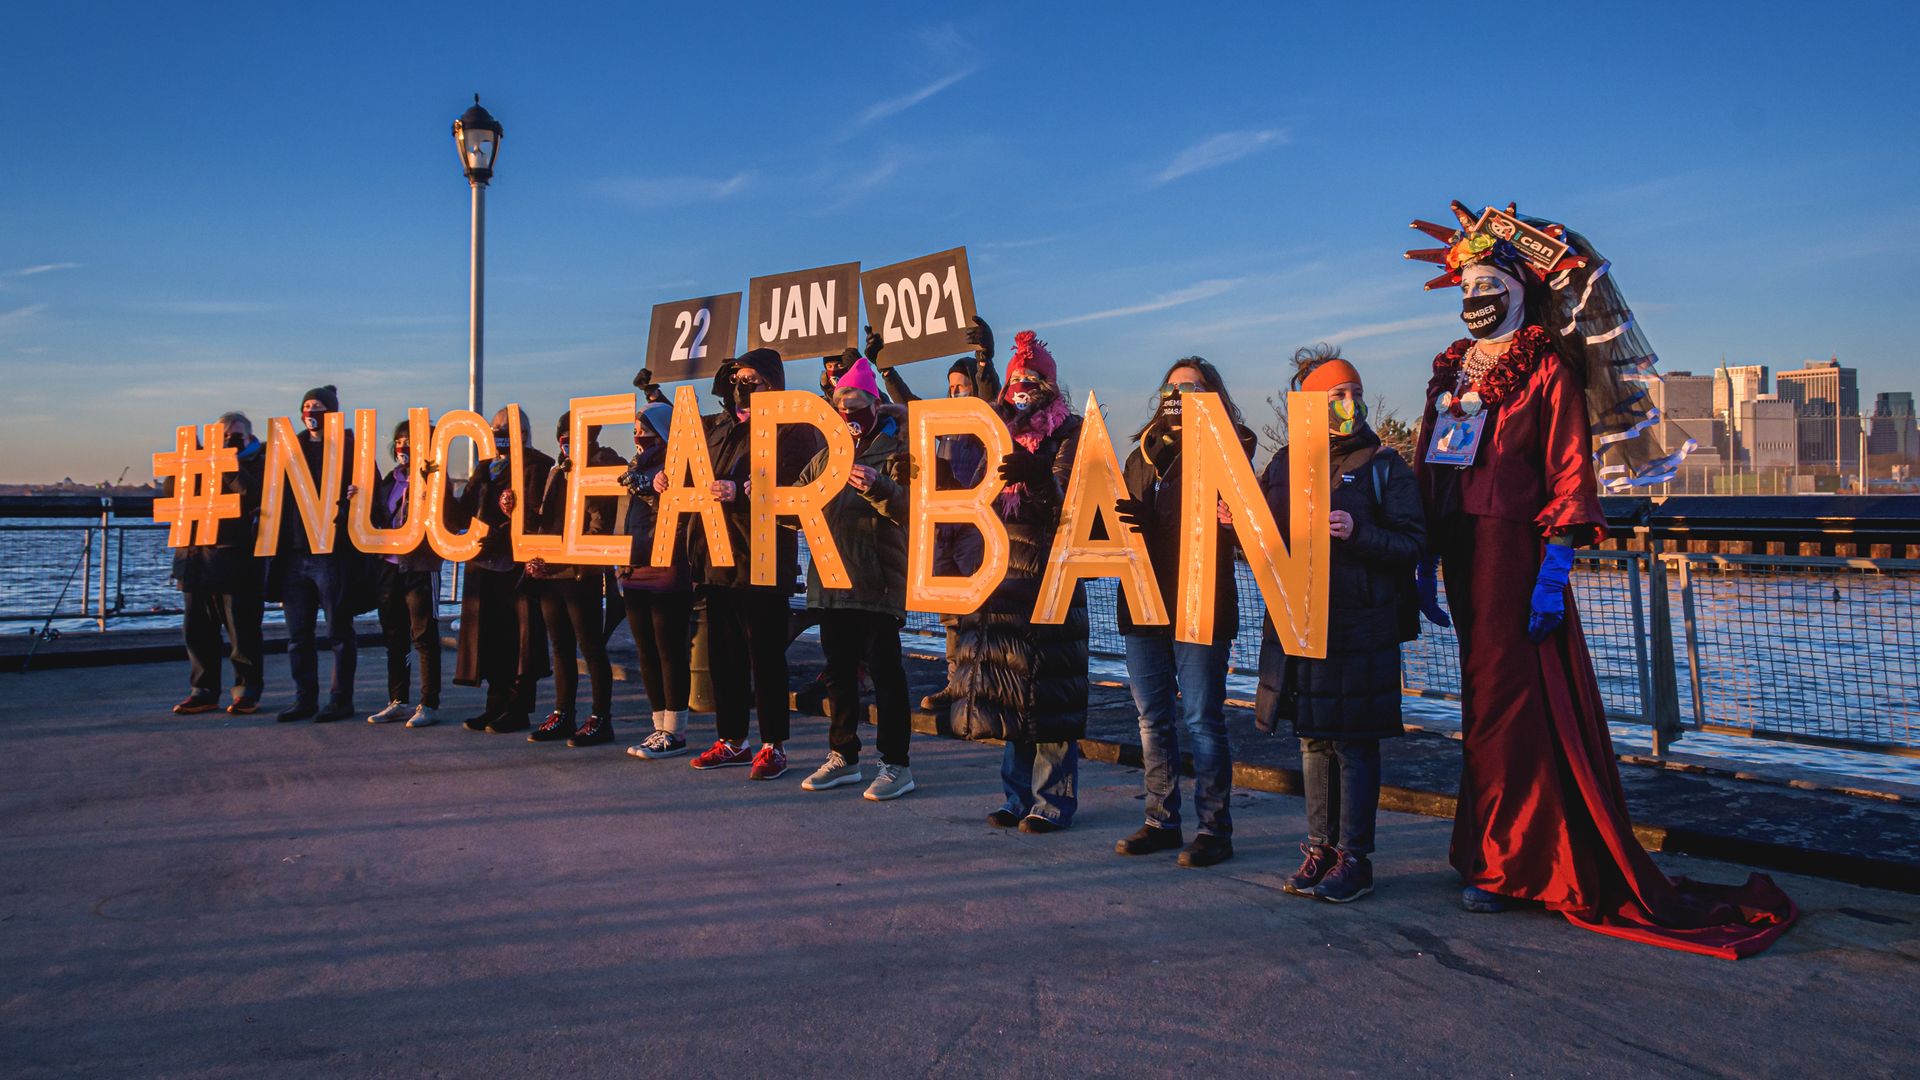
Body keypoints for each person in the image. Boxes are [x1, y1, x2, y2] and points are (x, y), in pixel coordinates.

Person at [1406, 201, 1794, 956]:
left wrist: (1555, 562)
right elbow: (1430, 460)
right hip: (1461, 549)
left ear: (1521, 286)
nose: (1475, 292)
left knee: (1511, 703)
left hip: (1515, 553)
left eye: (1491, 277)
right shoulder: (1451, 369)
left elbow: (1567, 465)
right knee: (1484, 700)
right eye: (1467, 280)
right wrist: (1424, 551)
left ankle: (1512, 864)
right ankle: (1499, 851)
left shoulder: (1547, 365)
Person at [1255, 348, 1425, 903]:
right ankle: (1319, 848)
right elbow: (1266, 544)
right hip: (1302, 623)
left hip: (1361, 629)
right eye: (1336, 396)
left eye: (1354, 392)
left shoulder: (1384, 467)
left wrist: (1358, 532)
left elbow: (1414, 544)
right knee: (1313, 741)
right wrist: (1237, 526)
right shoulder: (1282, 466)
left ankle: (1356, 858)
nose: (1349, 403)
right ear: (1306, 405)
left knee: (1354, 745)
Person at [1111, 358, 1254, 868]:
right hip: (1144, 601)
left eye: (1192, 387)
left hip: (1201, 604)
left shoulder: (1231, 448)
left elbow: (1242, 528)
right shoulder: (1139, 457)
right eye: (1172, 387)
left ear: (1213, 393)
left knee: (1201, 718)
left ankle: (1215, 828)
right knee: (1152, 718)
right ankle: (1160, 819)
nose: (1180, 394)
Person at [948, 331, 1088, 832]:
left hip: (1051, 573)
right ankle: (1015, 794)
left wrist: (1038, 478)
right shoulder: (996, 427)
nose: (1023, 386)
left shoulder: (1072, 431)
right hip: (1005, 571)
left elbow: (1074, 504)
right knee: (1012, 685)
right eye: (1016, 379)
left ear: (1050, 385)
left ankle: (1052, 801)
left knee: (1050, 691)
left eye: (1032, 378)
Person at [662, 348, 823, 780]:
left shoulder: (795, 429)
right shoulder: (719, 429)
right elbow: (695, 477)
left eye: (753, 379)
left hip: (763, 557)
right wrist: (668, 480)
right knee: (724, 657)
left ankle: (774, 744)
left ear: (773, 383)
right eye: (738, 379)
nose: (743, 387)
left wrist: (746, 492)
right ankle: (732, 739)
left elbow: (805, 485)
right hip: (717, 557)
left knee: (765, 656)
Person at [861, 316, 1000, 713]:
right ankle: (956, 684)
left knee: (979, 611)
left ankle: (983, 685)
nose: (956, 394)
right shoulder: (939, 421)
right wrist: (885, 368)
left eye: (964, 387)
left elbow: (992, 399)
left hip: (976, 526)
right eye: (952, 387)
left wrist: (985, 360)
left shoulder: (987, 417)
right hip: (942, 526)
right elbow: (911, 407)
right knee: (951, 615)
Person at [794, 359, 917, 801]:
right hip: (830, 580)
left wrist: (880, 487)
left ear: (875, 403)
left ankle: (896, 764)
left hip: (878, 580)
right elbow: (797, 508)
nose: (848, 412)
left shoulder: (897, 447)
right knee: (839, 674)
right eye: (840, 404)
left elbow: (911, 511)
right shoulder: (826, 454)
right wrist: (767, 497)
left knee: (886, 674)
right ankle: (842, 755)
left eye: (856, 403)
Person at [451, 406, 554, 735]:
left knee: (520, 641)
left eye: (507, 429)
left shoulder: (538, 465)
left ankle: (519, 709)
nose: (500, 434)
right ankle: (494, 706)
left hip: (517, 564)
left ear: (523, 433)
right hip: (483, 564)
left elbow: (542, 513)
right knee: (491, 637)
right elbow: (461, 513)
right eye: (496, 429)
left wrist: (513, 515)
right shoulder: (484, 469)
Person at [524, 412, 623, 748]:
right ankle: (562, 713)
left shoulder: (600, 470)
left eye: (573, 435)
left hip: (582, 572)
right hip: (554, 571)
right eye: (562, 435)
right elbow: (543, 521)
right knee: (561, 647)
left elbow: (600, 525)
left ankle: (600, 718)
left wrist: (574, 555)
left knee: (591, 647)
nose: (566, 441)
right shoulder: (557, 471)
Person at [268, 386, 358, 723]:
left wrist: (355, 494)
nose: (310, 411)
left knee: (338, 630)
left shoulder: (349, 449)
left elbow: (369, 487)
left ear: (331, 412)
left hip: (330, 554)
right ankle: (304, 698)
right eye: (306, 405)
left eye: (318, 405)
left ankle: (340, 700)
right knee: (298, 635)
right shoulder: (291, 449)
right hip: (294, 554)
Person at [171, 411, 266, 715]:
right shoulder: (200, 464)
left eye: (235, 436)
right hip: (195, 558)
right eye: (222, 436)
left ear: (249, 438)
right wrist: (189, 462)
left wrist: (228, 461)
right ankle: (203, 690)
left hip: (237, 560)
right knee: (197, 631)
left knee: (243, 632)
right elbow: (172, 495)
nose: (227, 441)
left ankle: (246, 690)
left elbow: (252, 494)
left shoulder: (258, 463)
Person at [619, 401, 697, 759]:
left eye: (646, 429)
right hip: (634, 563)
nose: (639, 435)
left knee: (669, 648)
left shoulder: (680, 463)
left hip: (667, 564)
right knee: (646, 649)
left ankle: (675, 731)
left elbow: (688, 501)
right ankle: (658, 726)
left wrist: (653, 483)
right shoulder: (635, 466)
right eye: (636, 428)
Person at [366, 420, 444, 728]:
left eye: (409, 441)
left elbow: (447, 514)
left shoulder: (434, 479)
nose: (402, 447)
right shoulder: (389, 480)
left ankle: (429, 703)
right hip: (390, 566)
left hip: (420, 566)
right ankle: (397, 700)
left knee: (424, 637)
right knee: (394, 636)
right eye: (399, 440)